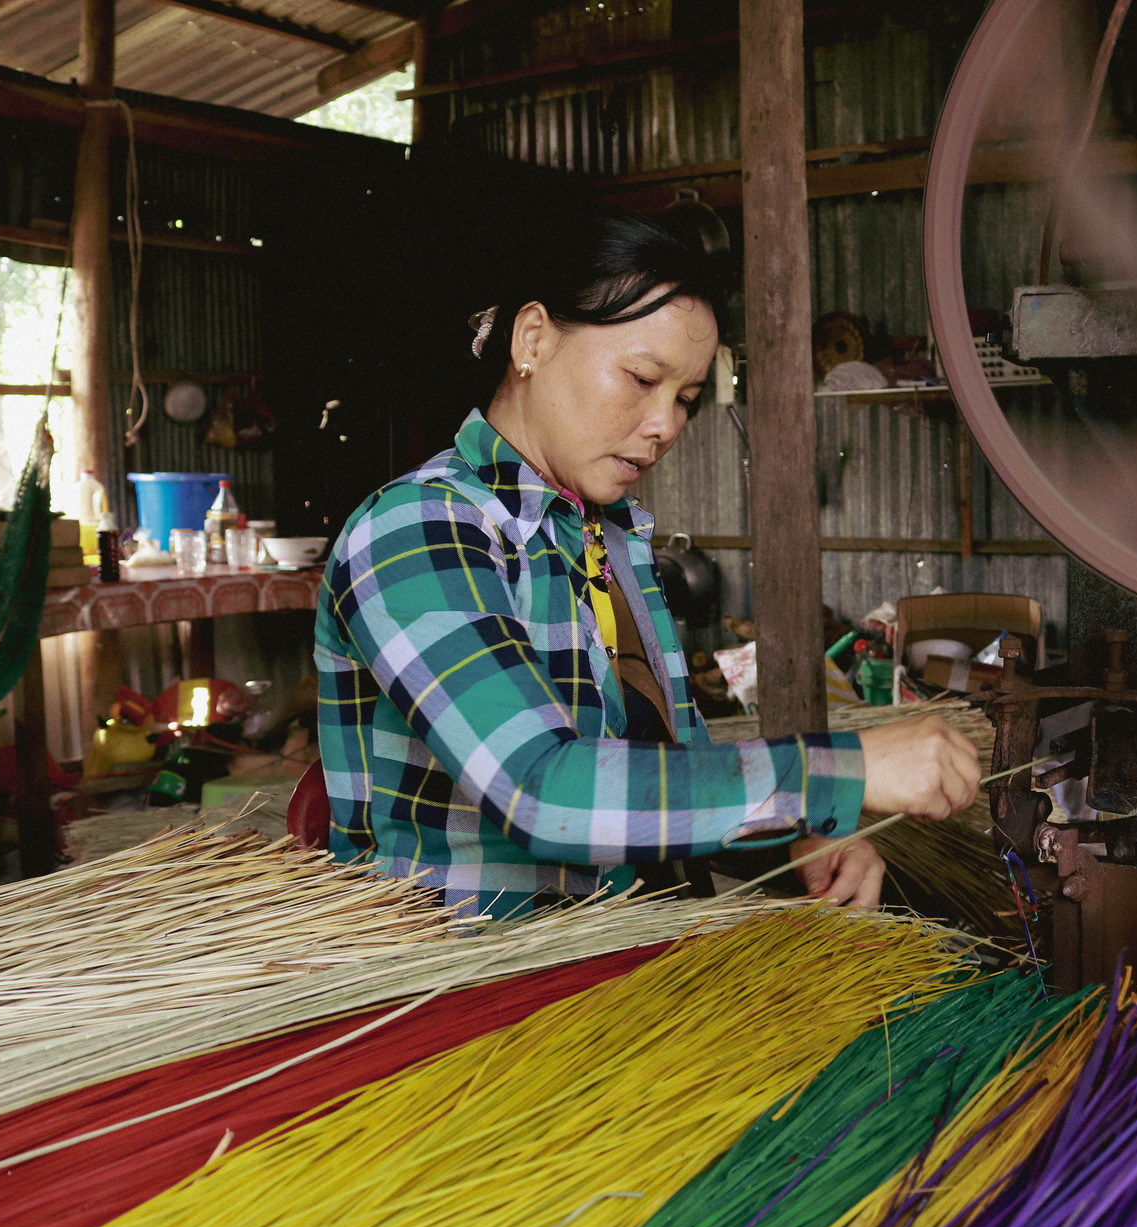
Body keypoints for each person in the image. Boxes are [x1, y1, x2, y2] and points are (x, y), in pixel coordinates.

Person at [314, 208, 981, 920]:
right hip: (472, 988)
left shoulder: (608, 540)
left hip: (627, 959)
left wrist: (787, 840)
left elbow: (652, 781)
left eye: (687, 399)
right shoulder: (416, 530)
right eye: (640, 379)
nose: (667, 426)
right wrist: (840, 771)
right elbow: (537, 792)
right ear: (532, 339)